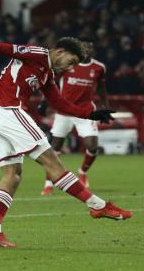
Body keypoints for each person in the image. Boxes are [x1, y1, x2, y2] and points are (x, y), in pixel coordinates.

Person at [0, 30, 132, 248]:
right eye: (70, 62)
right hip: (8, 111)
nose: (70, 68)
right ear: (60, 51)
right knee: (52, 161)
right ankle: (97, 205)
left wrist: (90, 114)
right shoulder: (37, 53)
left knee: (12, 175)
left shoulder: (47, 74)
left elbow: (60, 104)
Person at [38, 42, 109, 195]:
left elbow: (102, 88)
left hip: (85, 112)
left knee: (92, 146)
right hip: (64, 111)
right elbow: (51, 81)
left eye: (91, 48)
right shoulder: (68, 63)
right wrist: (44, 102)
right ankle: (48, 183)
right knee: (54, 148)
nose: (88, 50)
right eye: (85, 48)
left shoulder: (99, 68)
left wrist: (105, 105)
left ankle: (82, 172)